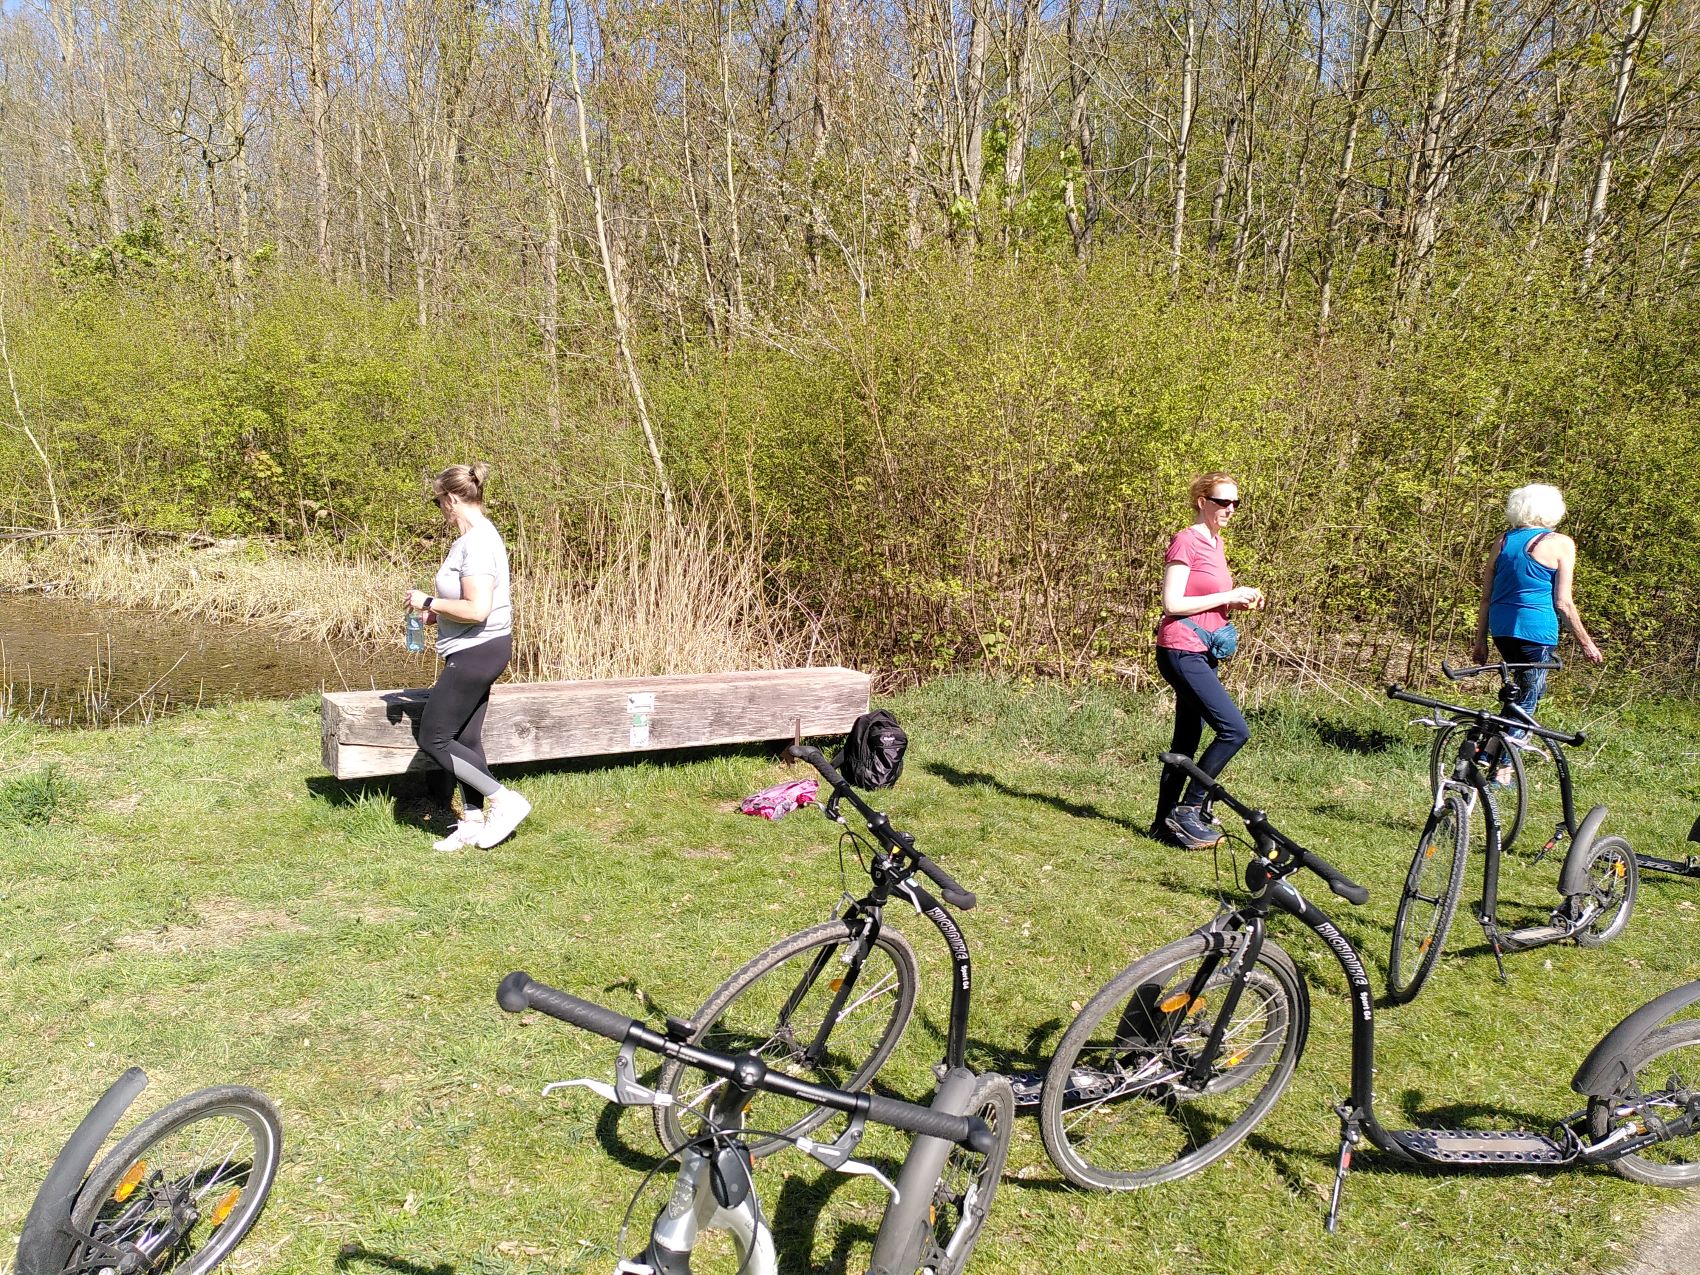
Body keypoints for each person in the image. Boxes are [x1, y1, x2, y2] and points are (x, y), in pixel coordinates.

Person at [406, 462, 530, 852]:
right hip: (478, 648)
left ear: (452, 499)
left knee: (435, 737)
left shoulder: (476, 542)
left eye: (438, 501)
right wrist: (437, 612)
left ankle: (504, 801)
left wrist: (426, 599)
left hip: (476, 651)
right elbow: (466, 603)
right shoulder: (478, 537)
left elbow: (478, 609)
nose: (439, 509)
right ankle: (473, 822)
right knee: (466, 737)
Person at [1152, 472, 1265, 850]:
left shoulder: (1215, 543)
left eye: (1236, 503)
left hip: (1201, 650)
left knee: (1186, 740)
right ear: (1202, 501)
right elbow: (1173, 604)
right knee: (1235, 730)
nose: (1230, 509)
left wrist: (1238, 600)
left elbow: (1210, 597)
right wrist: (1227, 595)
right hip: (1181, 649)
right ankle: (1191, 808)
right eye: (1222, 502)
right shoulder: (1187, 541)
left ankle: (1163, 826)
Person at [1471, 482, 1604, 731]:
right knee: (1528, 700)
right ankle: (1503, 764)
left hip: (1501, 630)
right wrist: (1586, 643)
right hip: (1535, 631)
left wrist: (1481, 642)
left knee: (1521, 693)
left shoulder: (1501, 542)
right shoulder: (1560, 543)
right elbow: (1563, 602)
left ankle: (1488, 746)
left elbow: (1486, 598)